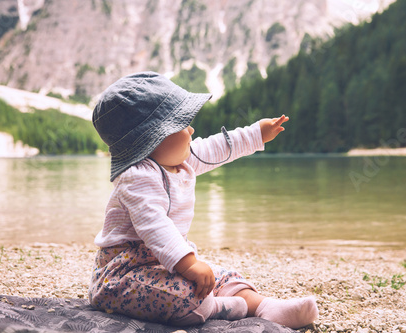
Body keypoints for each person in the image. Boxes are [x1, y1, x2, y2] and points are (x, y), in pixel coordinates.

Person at [88, 71, 319, 328]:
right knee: (186, 294)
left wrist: (257, 134)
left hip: (166, 264)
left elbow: (217, 146)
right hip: (123, 275)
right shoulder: (137, 177)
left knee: (222, 277)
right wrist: (189, 264)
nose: (191, 128)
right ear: (151, 139)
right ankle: (219, 307)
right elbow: (155, 227)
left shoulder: (179, 161)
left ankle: (265, 306)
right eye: (181, 124)